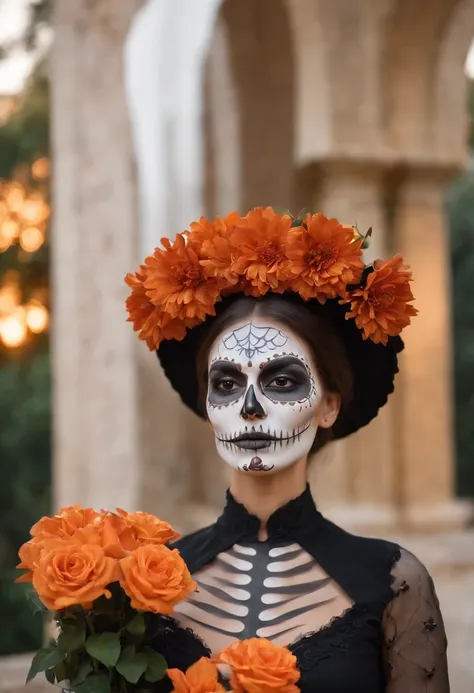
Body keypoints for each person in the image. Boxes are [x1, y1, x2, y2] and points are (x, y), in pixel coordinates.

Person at [125, 207, 449, 692]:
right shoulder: (144, 581)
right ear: (208, 405)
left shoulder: (394, 581)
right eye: (227, 383)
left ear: (328, 406)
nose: (250, 408)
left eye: (281, 380)